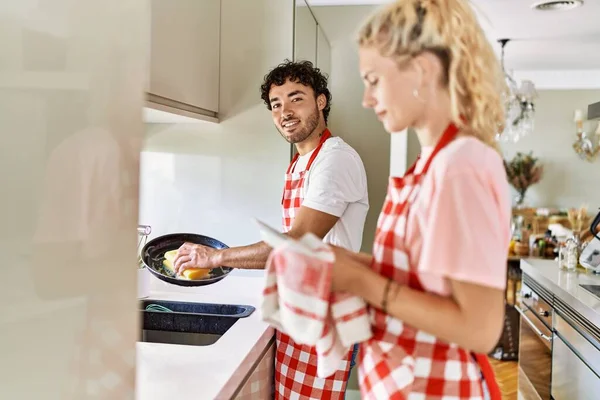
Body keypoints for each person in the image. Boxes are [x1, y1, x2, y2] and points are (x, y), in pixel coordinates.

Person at [326, 0, 511, 399]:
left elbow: (480, 328)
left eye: (373, 79)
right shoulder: (434, 162)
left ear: (422, 70)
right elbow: (422, 281)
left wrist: (360, 280)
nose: (366, 98)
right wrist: (342, 264)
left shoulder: (461, 165)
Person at [174, 60, 369, 399]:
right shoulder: (299, 162)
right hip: (299, 310)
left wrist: (216, 256)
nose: (285, 111)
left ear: (320, 102)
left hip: (326, 318)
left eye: (296, 98)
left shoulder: (334, 160)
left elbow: (295, 244)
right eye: (276, 104)